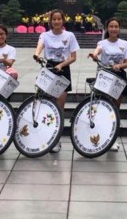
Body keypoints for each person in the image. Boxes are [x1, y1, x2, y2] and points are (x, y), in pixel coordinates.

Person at [33, 9, 79, 153]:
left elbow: (73, 57)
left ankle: (56, 139)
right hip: (49, 68)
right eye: (54, 19)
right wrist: (36, 54)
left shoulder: (69, 35)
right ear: (50, 21)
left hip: (63, 69)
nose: (57, 22)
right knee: (45, 103)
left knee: (59, 106)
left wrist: (61, 65)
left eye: (59, 19)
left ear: (63, 20)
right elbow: (40, 46)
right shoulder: (45, 35)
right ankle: (44, 134)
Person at [89, 17, 127, 151]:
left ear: (119, 29)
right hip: (105, 76)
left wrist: (120, 65)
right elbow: (97, 51)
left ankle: (112, 138)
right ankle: (99, 135)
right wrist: (94, 55)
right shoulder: (102, 43)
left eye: (116, 26)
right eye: (111, 26)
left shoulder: (124, 44)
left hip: (118, 76)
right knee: (103, 107)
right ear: (107, 29)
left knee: (115, 108)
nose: (113, 29)